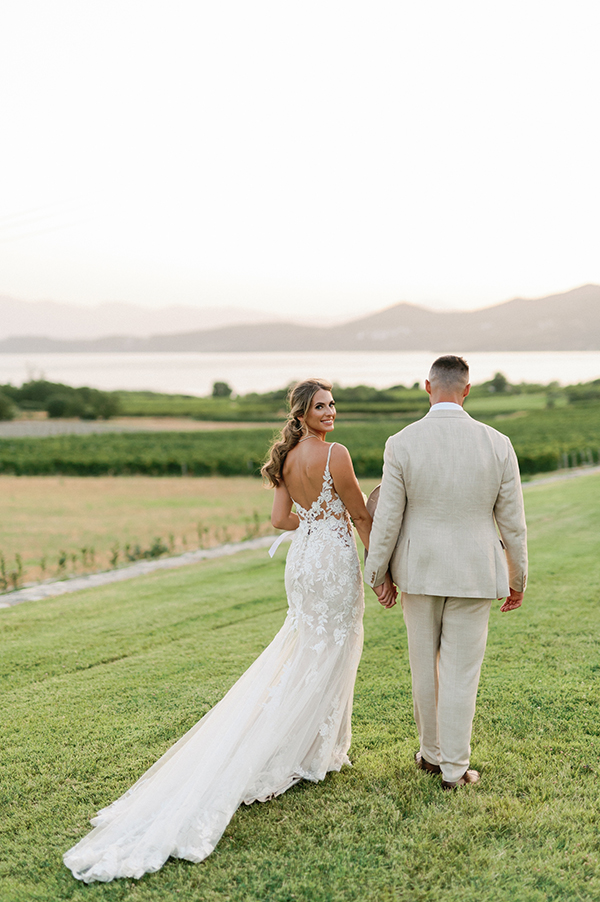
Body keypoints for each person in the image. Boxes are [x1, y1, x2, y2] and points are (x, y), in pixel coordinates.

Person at [64, 378, 395, 883]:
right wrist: (380, 570)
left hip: (304, 559)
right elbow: (359, 516)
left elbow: (280, 519)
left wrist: (313, 519)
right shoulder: (337, 454)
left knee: (308, 648)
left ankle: (317, 748)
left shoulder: (286, 459)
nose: (330, 412)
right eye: (320, 407)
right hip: (330, 559)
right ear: (303, 414)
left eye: (332, 405)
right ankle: (314, 753)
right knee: (333, 647)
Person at [364, 356, 527, 790]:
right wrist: (517, 577)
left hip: (418, 570)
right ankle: (455, 771)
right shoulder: (497, 443)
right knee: (460, 672)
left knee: (424, 666)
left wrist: (377, 572)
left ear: (427, 387)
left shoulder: (401, 442)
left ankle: (431, 756)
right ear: (467, 389)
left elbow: (388, 519)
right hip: (475, 570)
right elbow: (513, 522)